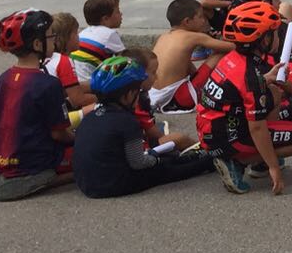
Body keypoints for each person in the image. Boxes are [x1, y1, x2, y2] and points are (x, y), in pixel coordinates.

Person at [196, 0, 292, 195]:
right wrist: (273, 167)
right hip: (226, 137)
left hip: (211, 128)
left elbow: (239, 90)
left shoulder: (234, 58)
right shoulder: (250, 76)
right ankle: (238, 162)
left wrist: (268, 79)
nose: (279, 37)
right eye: (275, 33)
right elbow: (257, 127)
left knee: (274, 92)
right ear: (264, 40)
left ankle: (256, 157)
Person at [73, 56, 214, 199]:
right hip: (112, 185)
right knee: (166, 168)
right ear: (129, 95)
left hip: (87, 184)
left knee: (163, 160)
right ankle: (210, 161)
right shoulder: (127, 121)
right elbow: (138, 163)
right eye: (138, 91)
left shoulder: (91, 116)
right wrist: (156, 159)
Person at [0, 10, 76, 201]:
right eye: (51, 36)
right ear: (37, 44)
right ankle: (48, 178)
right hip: (36, 161)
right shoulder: (48, 84)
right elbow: (58, 134)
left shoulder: (4, 79)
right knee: (96, 151)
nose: (54, 41)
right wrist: (79, 138)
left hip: (5, 158)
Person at [149, 0, 229, 113]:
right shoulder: (193, 37)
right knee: (219, 53)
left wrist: (198, 77)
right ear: (187, 21)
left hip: (153, 95)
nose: (204, 20)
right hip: (176, 99)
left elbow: (185, 64)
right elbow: (231, 47)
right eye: (200, 17)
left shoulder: (164, 37)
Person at [42, 12, 94, 111]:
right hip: (54, 114)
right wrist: (103, 98)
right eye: (76, 33)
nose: (79, 36)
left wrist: (95, 85)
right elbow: (78, 100)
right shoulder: (62, 61)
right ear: (65, 37)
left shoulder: (46, 58)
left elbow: (68, 89)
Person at [71, 0, 125, 85]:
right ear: (106, 19)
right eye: (118, 11)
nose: (121, 14)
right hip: (92, 83)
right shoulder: (109, 34)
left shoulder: (83, 33)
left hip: (76, 81)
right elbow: (125, 60)